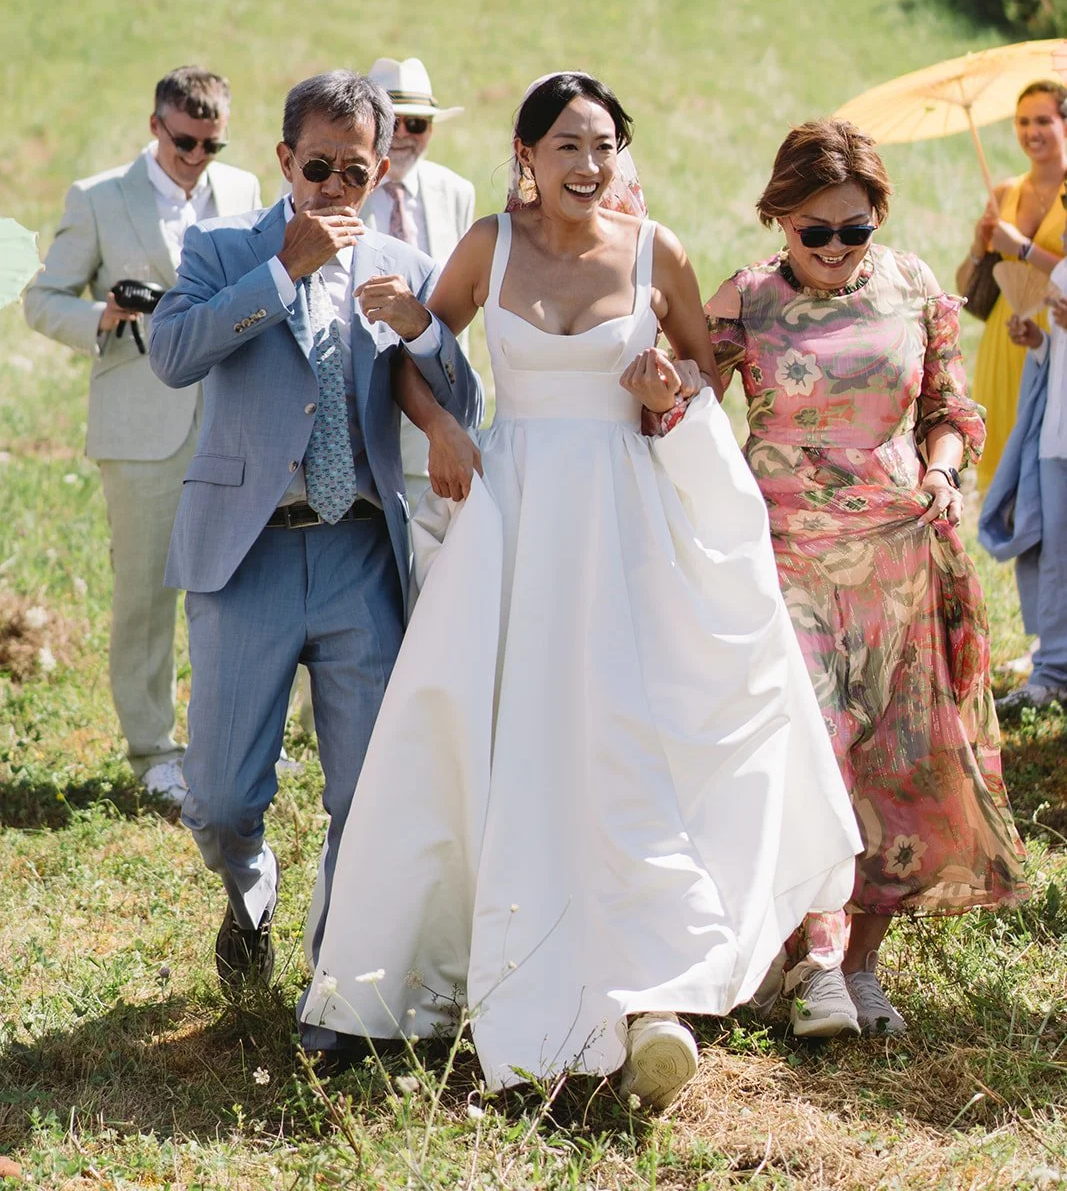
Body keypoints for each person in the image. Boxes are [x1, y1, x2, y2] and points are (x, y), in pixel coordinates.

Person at [300, 72, 860, 1106]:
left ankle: (648, 979)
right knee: (482, 723)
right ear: (526, 153)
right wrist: (443, 428)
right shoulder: (487, 245)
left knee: (623, 732)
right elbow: (413, 347)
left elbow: (699, 371)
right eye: (566, 145)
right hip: (513, 515)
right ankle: (425, 968)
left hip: (623, 519)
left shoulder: (658, 252)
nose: (587, 166)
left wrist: (669, 390)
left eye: (603, 145)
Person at [148, 69, 482, 989]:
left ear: (380, 175)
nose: (335, 190)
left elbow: (460, 401)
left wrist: (424, 332)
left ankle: (338, 976)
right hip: (244, 551)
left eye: (357, 173)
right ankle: (249, 890)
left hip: (357, 552)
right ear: (285, 159)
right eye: (319, 167)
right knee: (217, 797)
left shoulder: (406, 266)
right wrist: (280, 270)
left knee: (366, 793)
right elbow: (171, 355)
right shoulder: (221, 248)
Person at [705, 117, 1030, 1036]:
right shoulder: (746, 301)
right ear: (779, 219)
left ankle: (857, 965)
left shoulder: (914, 285)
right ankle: (811, 963)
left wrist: (939, 469)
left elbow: (950, 407)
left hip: (897, 549)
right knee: (812, 749)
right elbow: (683, 407)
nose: (839, 249)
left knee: (895, 761)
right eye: (817, 231)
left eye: (855, 229)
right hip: (781, 553)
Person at [24, 67, 261, 805]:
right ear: (155, 125)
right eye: (184, 141)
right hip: (139, 423)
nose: (195, 158)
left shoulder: (246, 193)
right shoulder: (99, 197)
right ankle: (152, 749)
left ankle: (238, 740)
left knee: (244, 585)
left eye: (210, 145)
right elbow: (40, 299)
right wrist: (106, 314)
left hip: (230, 416)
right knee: (146, 594)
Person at [362, 56, 476, 508]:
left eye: (418, 123)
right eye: (393, 123)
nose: (406, 135)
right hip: (362, 411)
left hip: (439, 411)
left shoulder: (455, 191)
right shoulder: (332, 185)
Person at [957, 81, 1067, 489]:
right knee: (1007, 460)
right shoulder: (1004, 192)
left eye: (1043, 120)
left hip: (1058, 332)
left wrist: (1022, 249)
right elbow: (969, 288)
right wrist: (978, 244)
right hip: (1007, 334)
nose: (1030, 131)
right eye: (1022, 121)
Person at [993, 275, 1067, 715]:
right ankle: (1053, 672)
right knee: (1053, 556)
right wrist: (1040, 342)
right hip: (1056, 438)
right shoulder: (1061, 270)